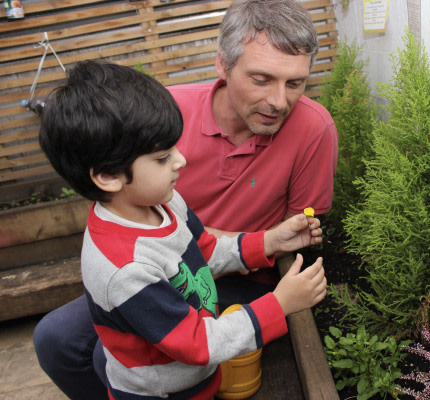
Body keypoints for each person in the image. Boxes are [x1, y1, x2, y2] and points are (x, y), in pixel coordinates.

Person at [33, 0, 338, 398]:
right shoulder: (159, 117)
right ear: (222, 66)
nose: (280, 101)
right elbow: (190, 325)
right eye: (262, 79)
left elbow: (208, 246)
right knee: (56, 340)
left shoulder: (314, 130)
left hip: (232, 273)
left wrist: (272, 241)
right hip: (166, 266)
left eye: (295, 83)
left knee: (106, 359)